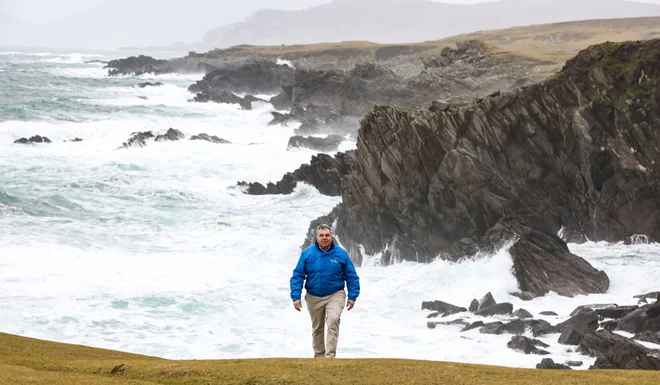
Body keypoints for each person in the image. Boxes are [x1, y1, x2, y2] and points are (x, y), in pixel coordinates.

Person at [289, 224, 360, 358]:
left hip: (335, 294)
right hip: (313, 296)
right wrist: (296, 296)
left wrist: (352, 296)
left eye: (327, 235)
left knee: (333, 320)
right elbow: (298, 275)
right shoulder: (308, 253)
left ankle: (330, 357)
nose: (324, 238)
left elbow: (351, 276)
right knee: (317, 328)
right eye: (321, 235)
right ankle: (319, 357)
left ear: (331, 236)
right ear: (317, 237)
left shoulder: (341, 253)